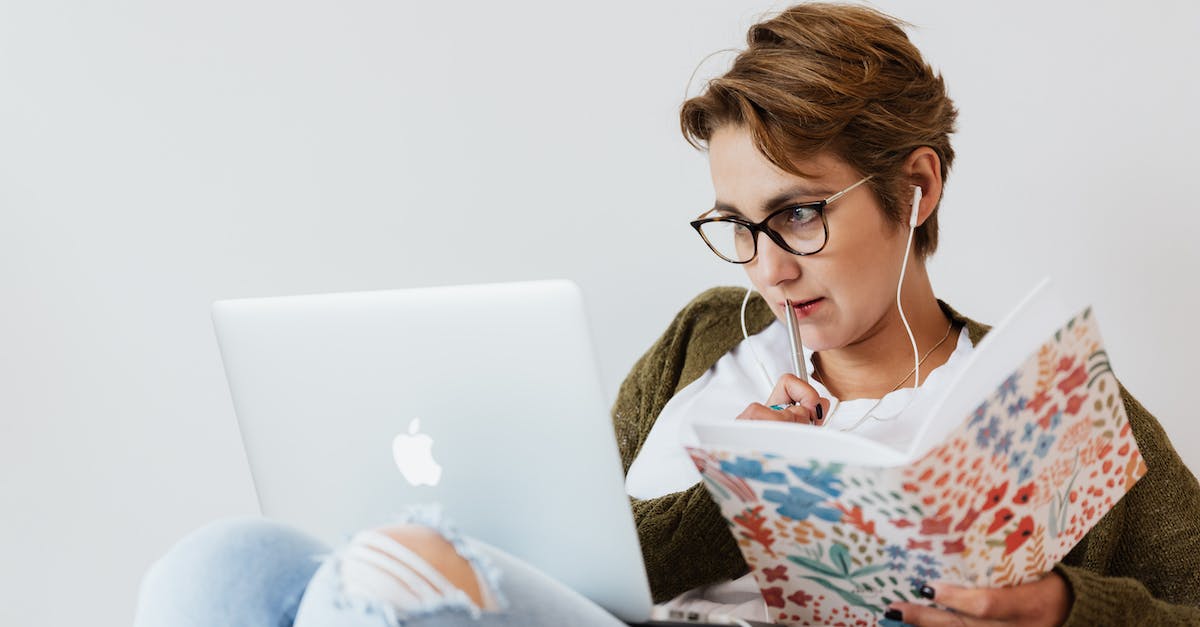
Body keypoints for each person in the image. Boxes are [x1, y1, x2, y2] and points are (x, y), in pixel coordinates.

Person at [134, 4, 1200, 627]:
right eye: (738, 224)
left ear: (914, 186)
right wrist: (736, 492)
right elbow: (577, 565)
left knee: (380, 574)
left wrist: (1066, 609)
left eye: (797, 217)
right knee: (221, 569)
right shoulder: (706, 339)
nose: (769, 269)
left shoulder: (1046, 408)